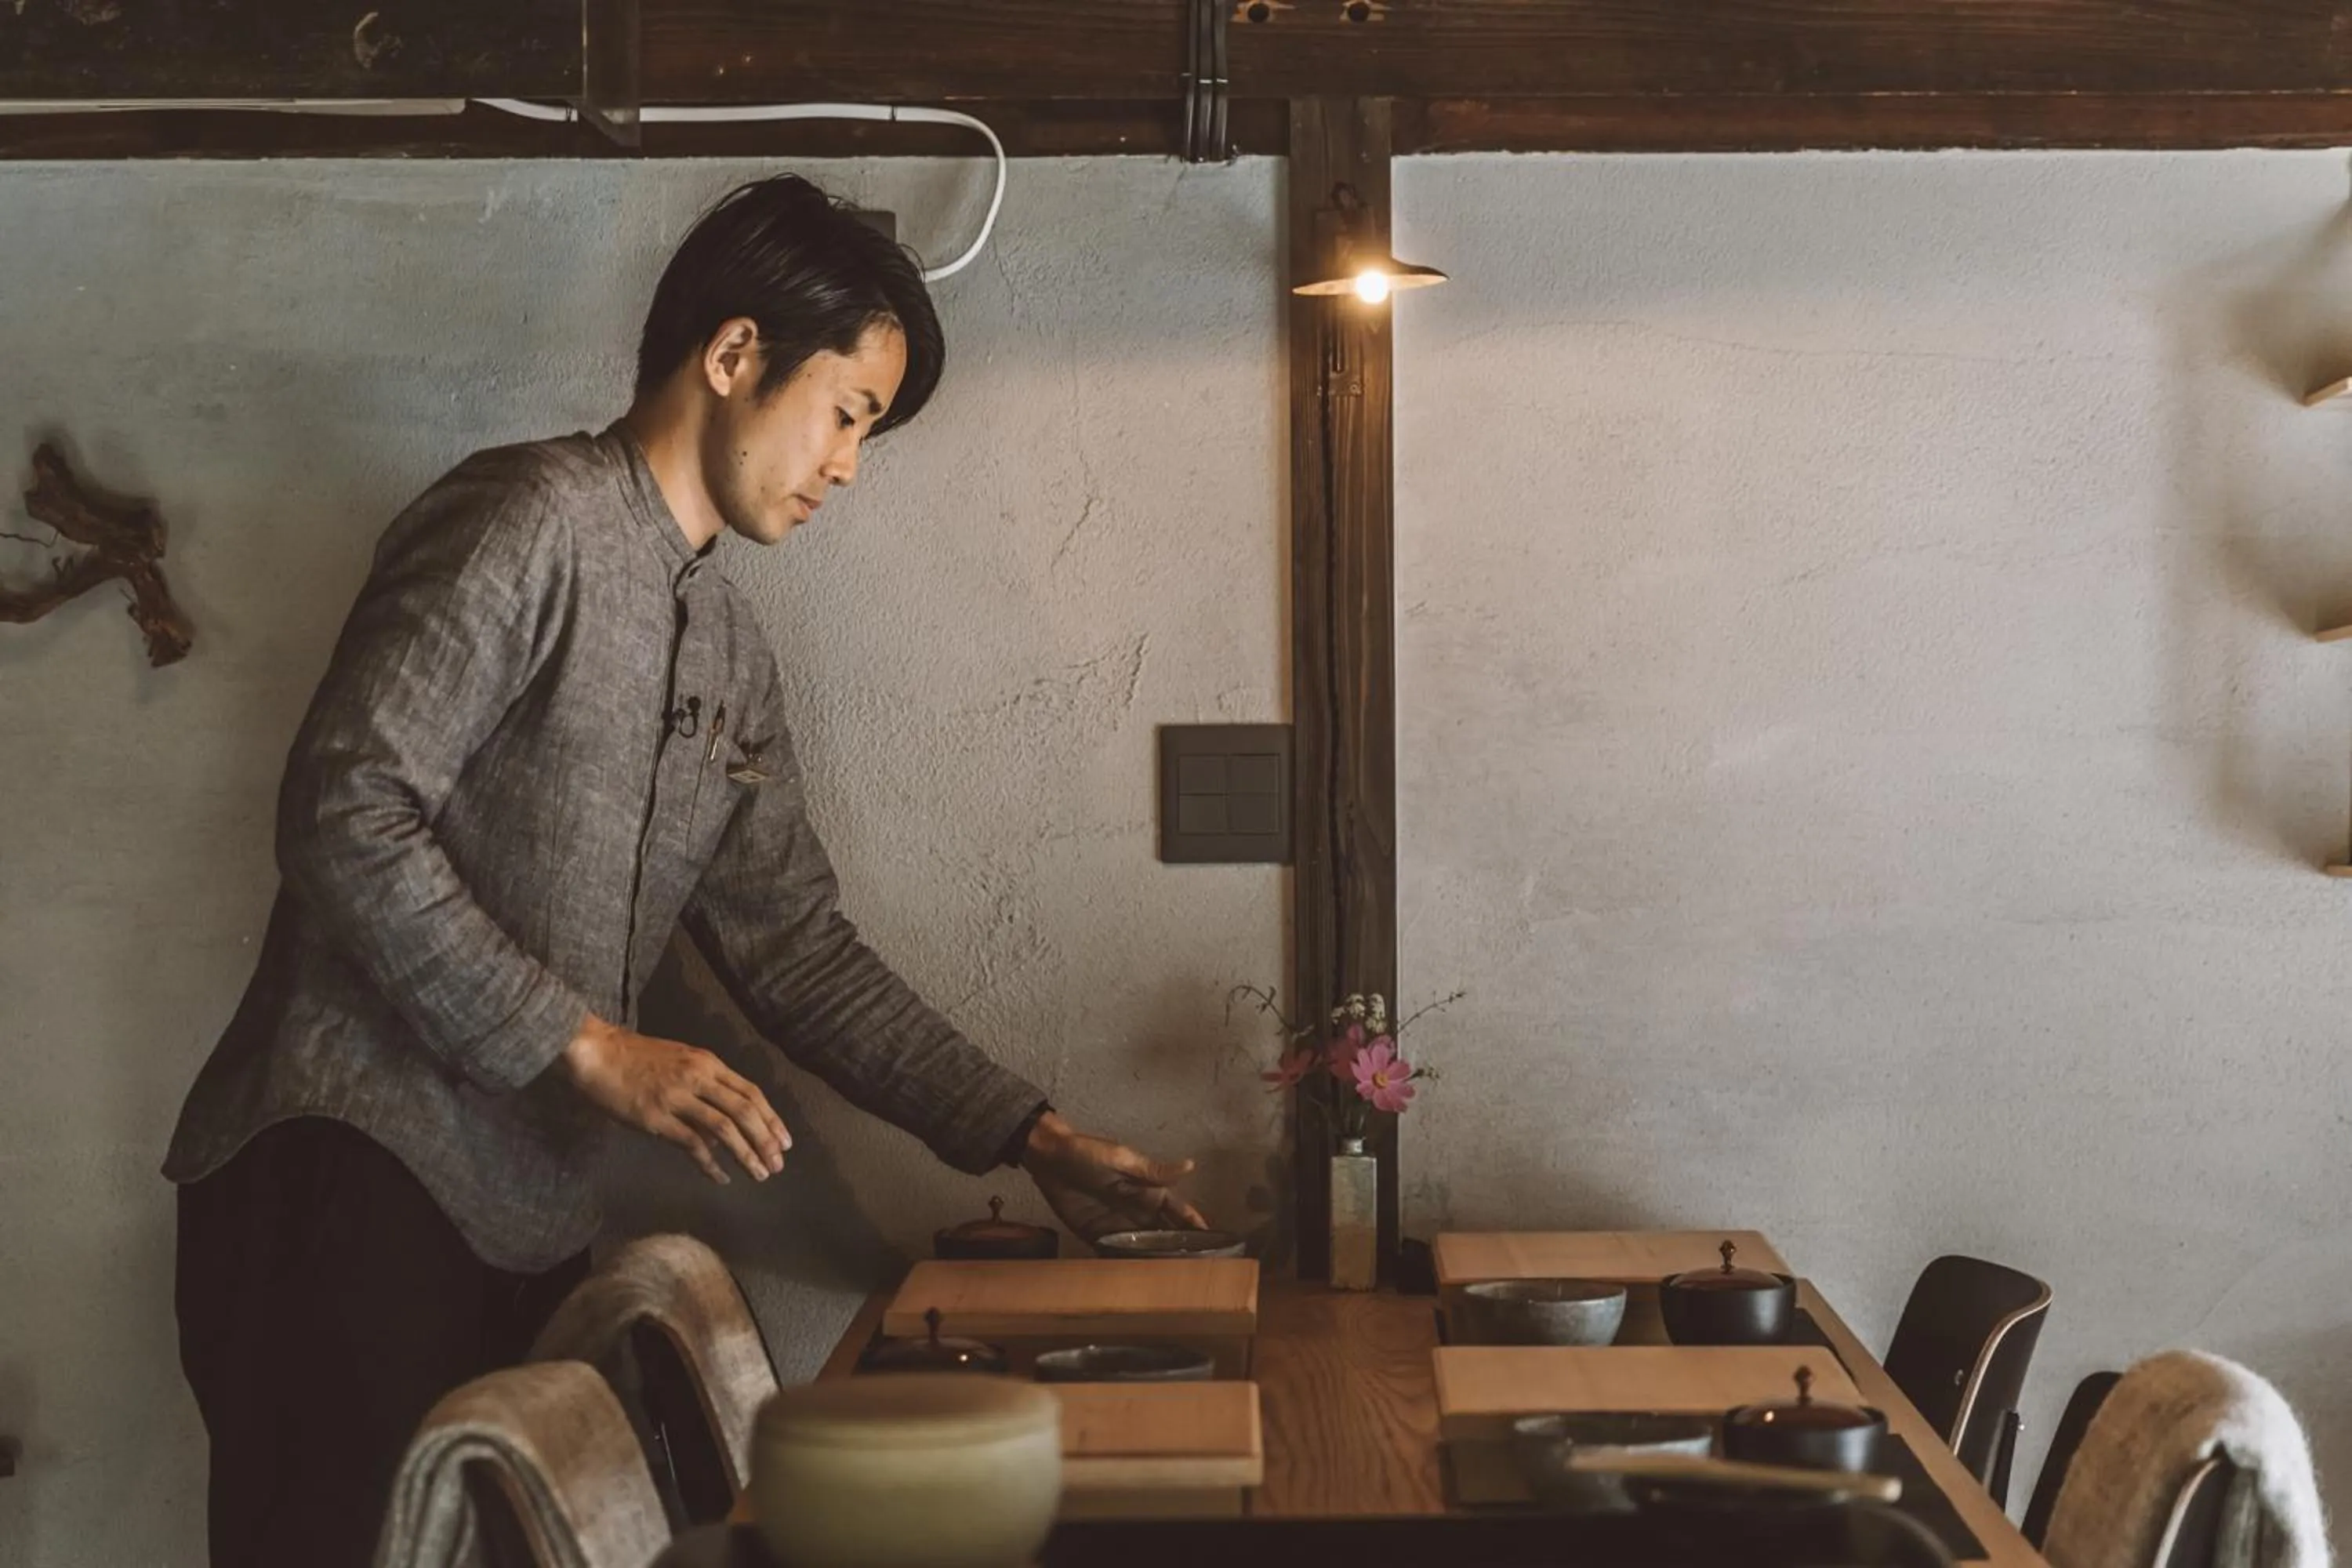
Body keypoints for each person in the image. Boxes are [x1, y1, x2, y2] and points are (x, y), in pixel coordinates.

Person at [163, 172, 1204, 1568]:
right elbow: (345, 807)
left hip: (527, 1215)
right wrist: (589, 1046)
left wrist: (1036, 1137)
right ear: (733, 355)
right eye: (848, 413)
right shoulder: (526, 515)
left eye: (869, 431)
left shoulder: (727, 649)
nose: (850, 466)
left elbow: (798, 950)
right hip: (341, 1183)